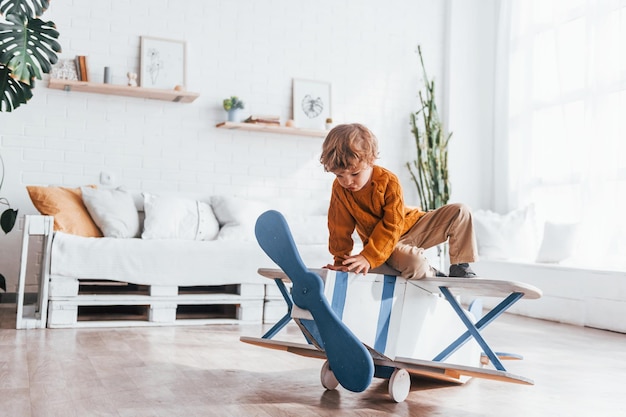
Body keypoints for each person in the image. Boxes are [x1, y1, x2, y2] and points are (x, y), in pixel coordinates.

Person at [319, 123, 478, 279]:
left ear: (371, 160)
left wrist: (368, 257)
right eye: (339, 175)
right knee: (416, 264)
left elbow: (392, 224)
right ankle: (434, 274)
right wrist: (341, 261)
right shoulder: (340, 190)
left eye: (354, 174)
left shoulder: (388, 181)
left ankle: (460, 267)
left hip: (411, 226)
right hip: (385, 245)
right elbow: (338, 228)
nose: (347, 182)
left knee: (460, 211)